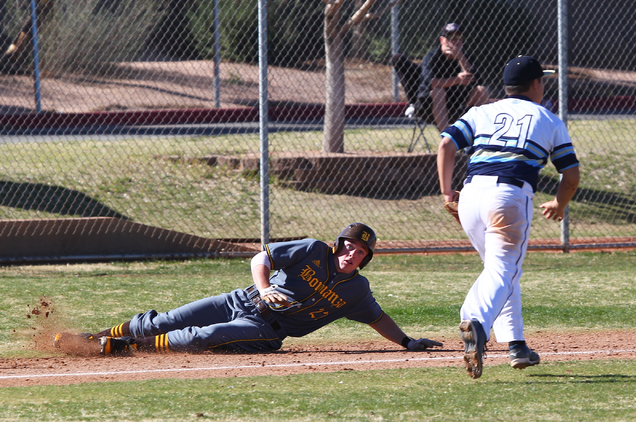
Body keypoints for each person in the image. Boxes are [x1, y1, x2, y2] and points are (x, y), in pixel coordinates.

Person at [54, 223, 443, 355]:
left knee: (199, 337)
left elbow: (378, 318)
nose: (353, 255)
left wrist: (408, 342)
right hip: (241, 299)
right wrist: (264, 288)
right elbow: (262, 259)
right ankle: (95, 338)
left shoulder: (356, 290)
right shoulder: (311, 250)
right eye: (350, 247)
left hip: (265, 331)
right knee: (167, 319)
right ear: (338, 244)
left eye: (361, 253)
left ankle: (123, 350)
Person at [436, 55, 580, 379]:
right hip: (509, 196)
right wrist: (559, 203)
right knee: (503, 271)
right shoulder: (548, 118)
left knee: (501, 272)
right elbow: (570, 175)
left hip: (470, 195)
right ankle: (476, 321)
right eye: (543, 80)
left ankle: (516, 346)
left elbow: (446, 144)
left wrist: (448, 194)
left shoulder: (482, 111)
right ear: (536, 84)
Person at [392, 22, 489, 132]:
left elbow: (476, 80)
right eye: (449, 37)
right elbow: (429, 82)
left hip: (459, 106)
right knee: (438, 91)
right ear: (442, 40)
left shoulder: (466, 58)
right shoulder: (432, 57)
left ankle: (478, 136)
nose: (453, 41)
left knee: (482, 91)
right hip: (429, 107)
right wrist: (456, 80)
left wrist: (460, 57)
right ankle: (447, 138)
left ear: (462, 41)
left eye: (457, 37)